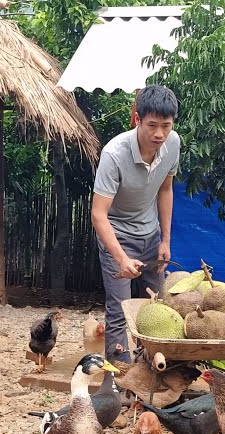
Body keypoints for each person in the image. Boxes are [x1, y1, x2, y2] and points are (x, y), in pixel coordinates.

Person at [91, 85, 180, 363]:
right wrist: (121, 258)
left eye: (166, 126)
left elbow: (166, 189)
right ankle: (119, 380)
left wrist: (165, 240)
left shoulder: (173, 143)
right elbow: (98, 214)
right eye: (152, 125)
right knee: (119, 311)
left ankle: (153, 370)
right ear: (137, 119)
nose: (159, 134)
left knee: (158, 306)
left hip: (151, 236)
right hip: (117, 237)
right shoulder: (114, 154)